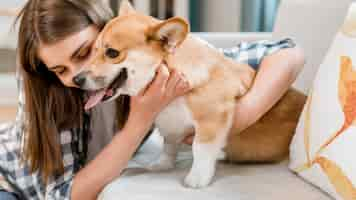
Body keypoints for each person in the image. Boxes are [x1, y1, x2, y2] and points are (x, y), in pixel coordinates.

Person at [0, 0, 305, 199]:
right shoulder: (50, 94)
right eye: (59, 69)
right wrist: (142, 117)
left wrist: (242, 116)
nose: (80, 75)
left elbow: (287, 52)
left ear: (107, 29)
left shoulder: (154, 62)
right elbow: (67, 195)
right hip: (10, 183)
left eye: (86, 53)